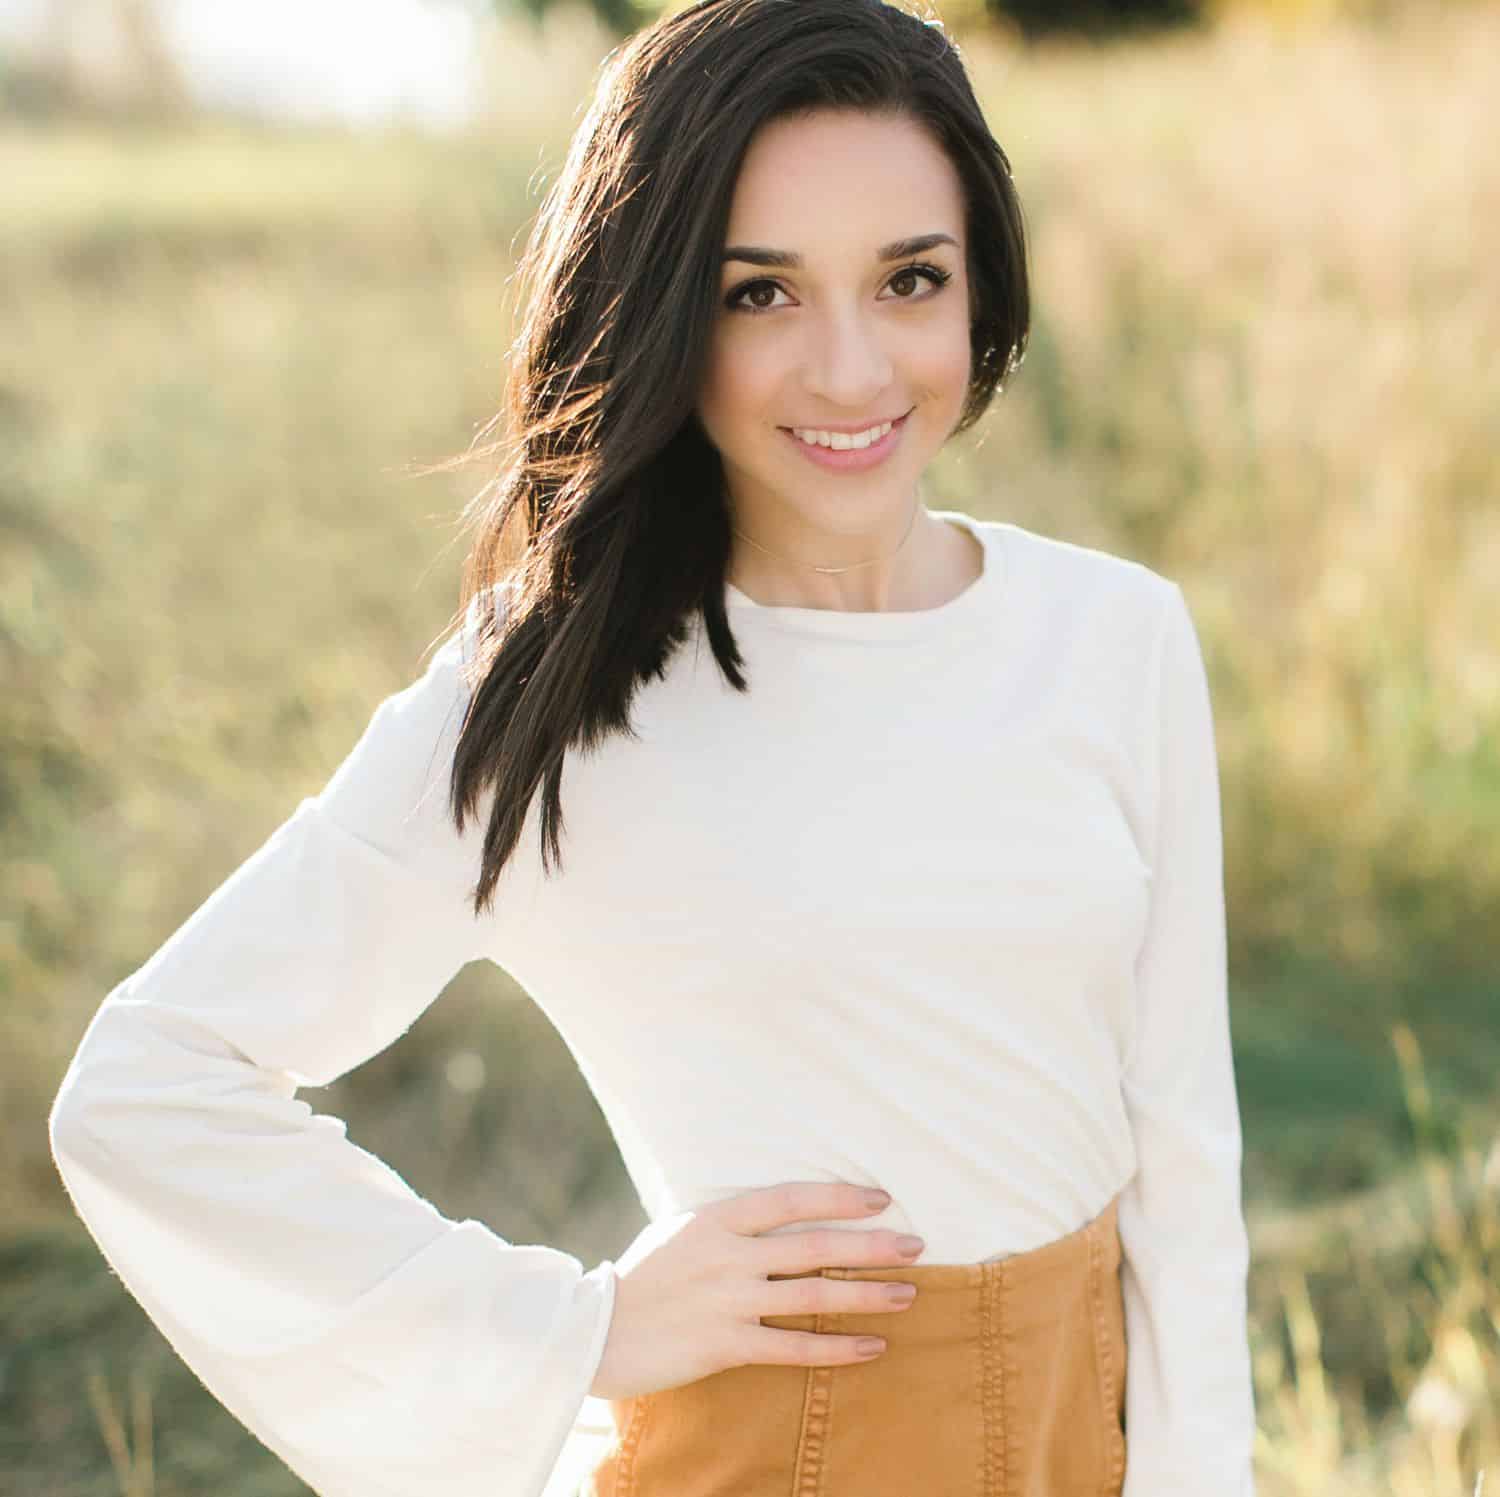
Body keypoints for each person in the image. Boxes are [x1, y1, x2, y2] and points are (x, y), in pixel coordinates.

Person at [48, 0, 1258, 1493]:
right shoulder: (557, 690)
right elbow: (148, 1084)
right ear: (668, 312)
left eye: (908, 280)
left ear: (977, 288)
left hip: (1086, 1437)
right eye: (762, 295)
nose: (851, 367)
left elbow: (1183, 1152)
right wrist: (575, 1326)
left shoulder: (1115, 639)